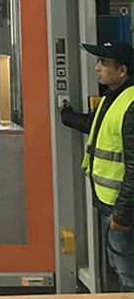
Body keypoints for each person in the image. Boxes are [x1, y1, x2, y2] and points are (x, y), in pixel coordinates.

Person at [61, 40, 134, 292]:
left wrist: (122, 215)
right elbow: (94, 124)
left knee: (128, 274)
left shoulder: (130, 105)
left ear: (122, 70)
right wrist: (67, 115)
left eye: (104, 62)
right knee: (118, 267)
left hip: (123, 210)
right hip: (109, 203)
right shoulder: (112, 98)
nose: (97, 68)